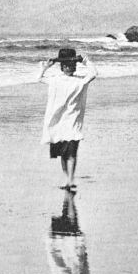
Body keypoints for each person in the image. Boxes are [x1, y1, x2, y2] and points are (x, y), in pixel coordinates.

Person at [39, 47, 98, 190]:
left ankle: (70, 180)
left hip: (70, 122)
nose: (70, 67)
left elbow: (39, 78)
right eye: (67, 65)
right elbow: (94, 73)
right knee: (64, 154)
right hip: (60, 122)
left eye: (72, 64)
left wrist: (46, 68)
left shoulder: (77, 81)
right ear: (62, 67)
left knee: (71, 152)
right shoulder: (60, 81)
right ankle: (68, 179)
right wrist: (87, 62)